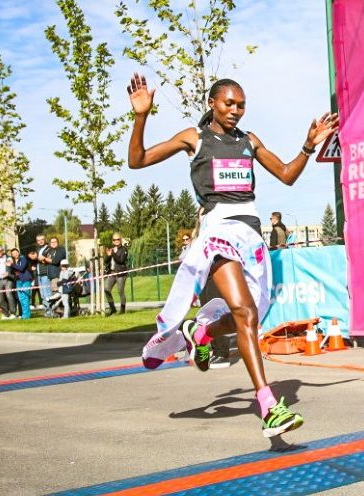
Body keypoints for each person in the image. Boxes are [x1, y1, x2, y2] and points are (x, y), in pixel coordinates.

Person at [127, 72, 338, 437]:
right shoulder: (194, 139)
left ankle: (201, 330)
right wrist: (142, 115)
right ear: (212, 103)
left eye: (241, 105)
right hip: (217, 233)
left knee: (250, 315)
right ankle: (269, 405)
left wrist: (307, 146)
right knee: (243, 310)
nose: (236, 110)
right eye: (229, 103)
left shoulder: (249, 141)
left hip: (250, 235)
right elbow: (138, 160)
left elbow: (287, 175)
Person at [104, 233, 129, 316]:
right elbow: (106, 261)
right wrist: (108, 255)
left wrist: (113, 254)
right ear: (112, 241)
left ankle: (122, 310)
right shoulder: (111, 249)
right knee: (106, 289)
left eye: (118, 239)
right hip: (111, 273)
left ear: (120, 240)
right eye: (114, 240)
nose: (116, 241)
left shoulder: (124, 249)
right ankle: (113, 309)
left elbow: (121, 260)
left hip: (120, 273)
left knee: (120, 291)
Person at [9, 248, 34, 320]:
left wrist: (12, 265)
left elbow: (21, 268)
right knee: (21, 299)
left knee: (25, 298)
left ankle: (26, 316)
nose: (15, 254)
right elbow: (14, 271)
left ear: (18, 252)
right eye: (13, 254)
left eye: (16, 253)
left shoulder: (23, 258)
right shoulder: (13, 261)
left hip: (25, 280)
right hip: (18, 281)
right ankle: (24, 315)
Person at [34, 234, 52, 314]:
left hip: (46, 273)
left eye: (42, 239)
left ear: (45, 240)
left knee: (47, 294)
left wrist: (42, 259)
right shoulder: (38, 249)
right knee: (42, 295)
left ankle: (50, 311)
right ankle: (46, 311)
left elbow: (49, 260)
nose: (40, 241)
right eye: (38, 240)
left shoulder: (49, 248)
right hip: (39, 274)